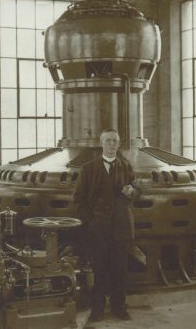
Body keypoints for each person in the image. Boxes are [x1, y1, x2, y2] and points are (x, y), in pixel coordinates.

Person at [72, 128, 139, 322]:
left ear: (118, 144)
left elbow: (137, 189)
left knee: (120, 270)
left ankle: (119, 308)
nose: (112, 145)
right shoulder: (88, 168)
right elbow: (78, 200)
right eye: (108, 141)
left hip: (122, 229)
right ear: (101, 144)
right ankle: (98, 310)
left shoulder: (126, 166)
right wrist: (91, 221)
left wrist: (131, 191)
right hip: (98, 230)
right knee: (99, 270)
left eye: (115, 141)